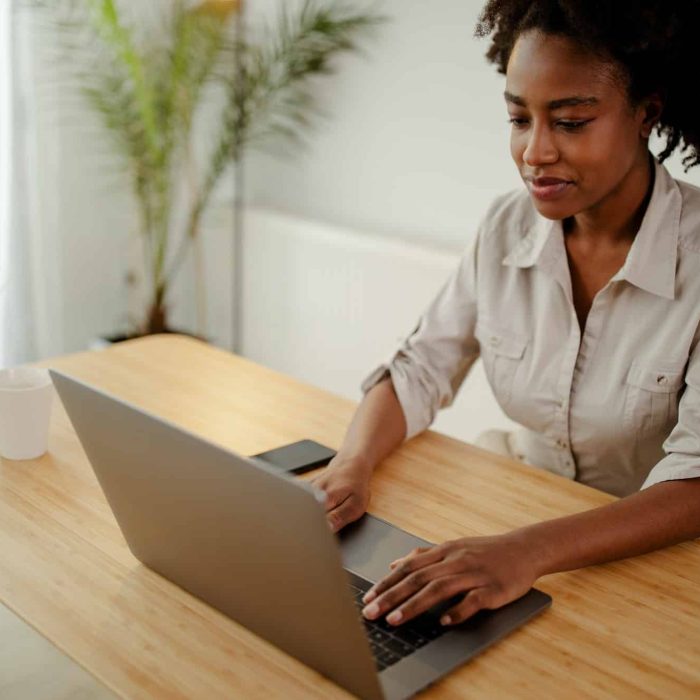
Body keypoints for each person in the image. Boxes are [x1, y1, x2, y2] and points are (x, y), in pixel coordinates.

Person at [312, 0, 700, 629]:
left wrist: (526, 551)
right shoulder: (504, 228)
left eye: (570, 121)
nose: (534, 152)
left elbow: (696, 482)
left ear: (646, 112)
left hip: (653, 561)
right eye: (519, 118)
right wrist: (351, 464)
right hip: (523, 521)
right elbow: (419, 368)